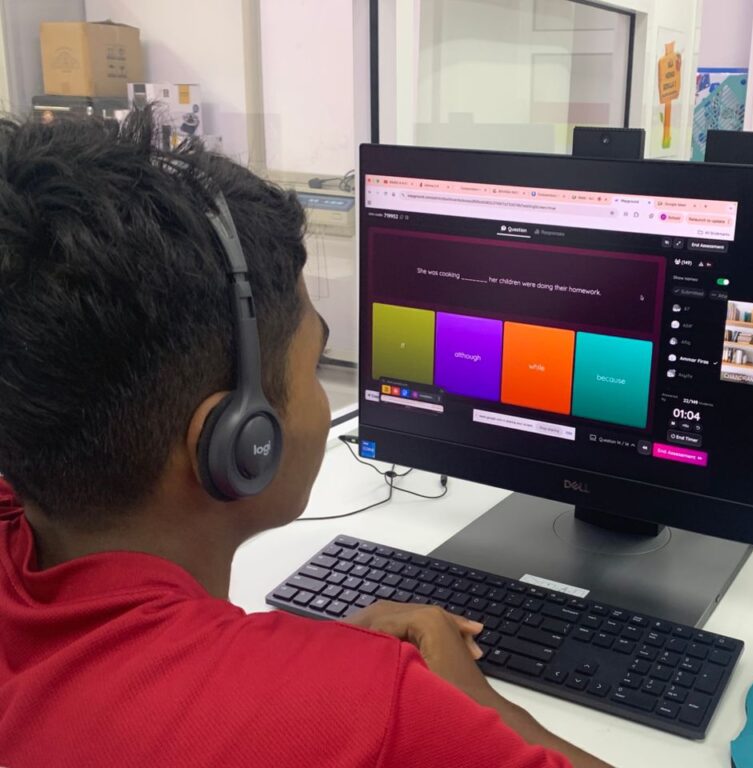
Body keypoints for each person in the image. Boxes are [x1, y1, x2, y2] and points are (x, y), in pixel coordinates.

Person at [0, 113, 610, 767]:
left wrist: (293, 670)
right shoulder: (375, 711)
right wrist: (474, 704)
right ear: (239, 442)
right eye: (315, 365)